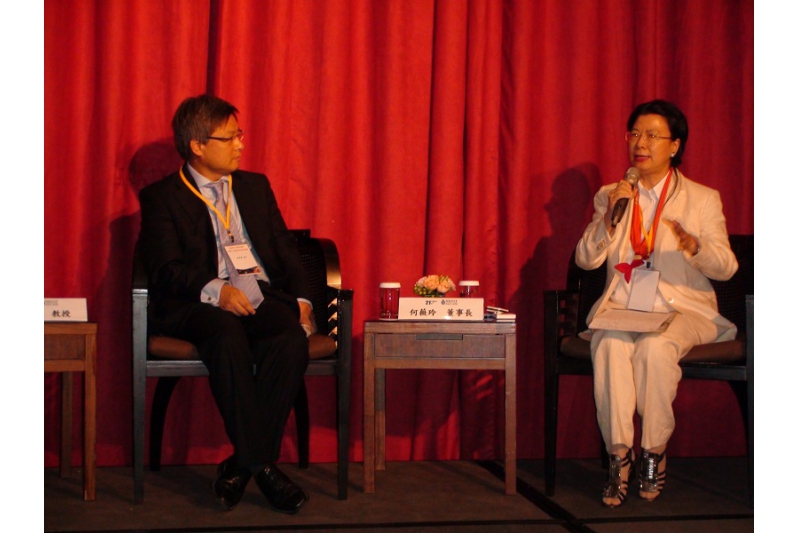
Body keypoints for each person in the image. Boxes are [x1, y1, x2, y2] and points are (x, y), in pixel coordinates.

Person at [137, 94, 315, 514]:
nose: (240, 144)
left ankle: (243, 464)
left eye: (240, 134)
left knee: (290, 336)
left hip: (257, 294)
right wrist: (217, 290)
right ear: (198, 145)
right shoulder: (162, 197)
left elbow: (285, 249)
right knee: (225, 332)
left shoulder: (254, 186)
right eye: (230, 137)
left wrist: (304, 299)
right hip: (197, 304)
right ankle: (264, 469)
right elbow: (166, 269)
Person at [574, 100, 738, 508]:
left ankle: (653, 451)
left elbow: (727, 267)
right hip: (625, 308)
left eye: (651, 135)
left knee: (655, 348)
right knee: (609, 345)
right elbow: (586, 259)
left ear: (675, 145)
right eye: (634, 134)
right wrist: (610, 218)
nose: (640, 143)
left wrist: (694, 246)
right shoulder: (611, 195)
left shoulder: (702, 199)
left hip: (684, 310)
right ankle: (619, 456)